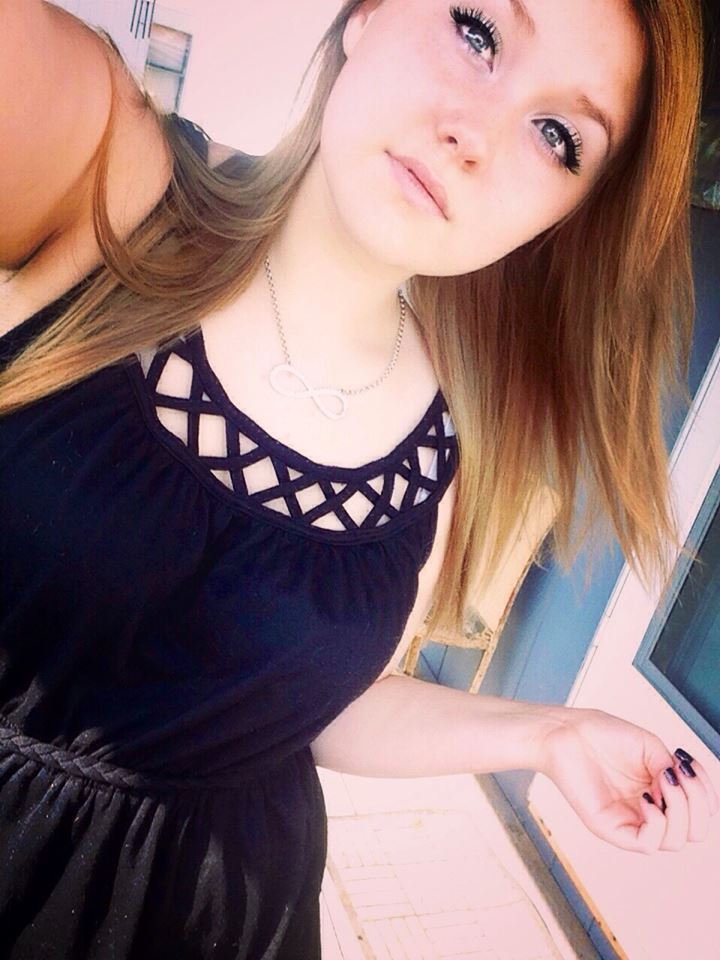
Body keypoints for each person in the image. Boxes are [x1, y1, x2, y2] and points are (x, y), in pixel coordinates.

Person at [0, 0, 717, 957]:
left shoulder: (437, 449)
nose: (474, 136)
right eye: (476, 30)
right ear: (369, 14)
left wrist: (544, 735)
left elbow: (314, 706)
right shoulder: (103, 174)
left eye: (556, 135)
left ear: (564, 215)